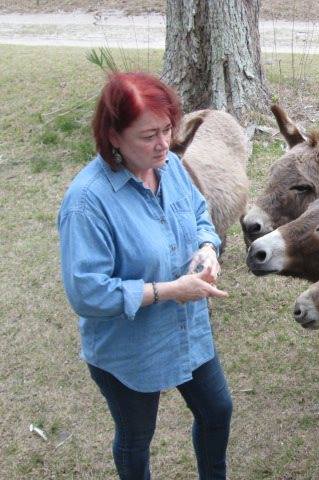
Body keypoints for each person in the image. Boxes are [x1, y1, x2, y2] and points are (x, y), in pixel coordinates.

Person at [58, 71, 233, 480]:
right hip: (128, 349)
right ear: (114, 136)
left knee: (217, 410)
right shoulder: (87, 202)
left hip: (187, 330)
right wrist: (170, 290)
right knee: (137, 436)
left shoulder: (170, 165)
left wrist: (208, 247)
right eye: (148, 135)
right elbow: (87, 293)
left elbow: (197, 213)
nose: (163, 144)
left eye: (168, 129)